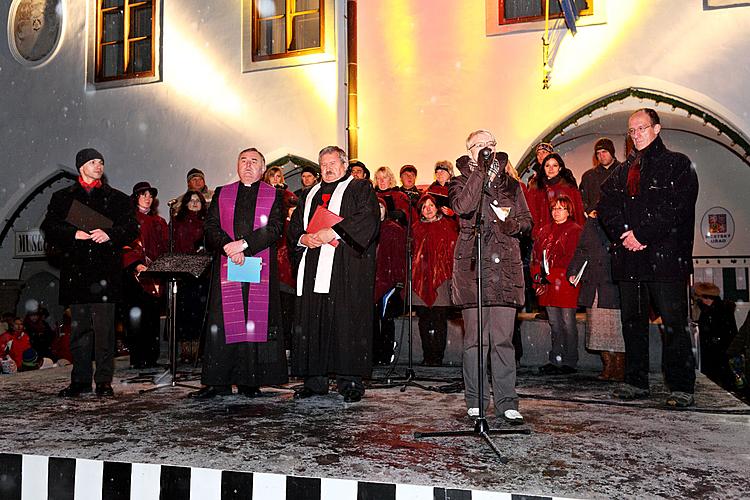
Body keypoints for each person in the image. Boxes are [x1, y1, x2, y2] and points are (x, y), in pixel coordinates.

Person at [598, 108, 699, 407]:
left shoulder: (677, 164)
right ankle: (635, 380)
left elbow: (676, 207)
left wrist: (642, 234)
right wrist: (624, 234)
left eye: (642, 128)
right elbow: (606, 207)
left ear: (657, 129)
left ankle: (681, 386)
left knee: (673, 323)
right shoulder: (620, 172)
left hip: (666, 260)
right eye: (632, 130)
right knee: (632, 322)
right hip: (631, 260)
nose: (636, 134)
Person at [189, 148, 288, 399]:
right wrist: (227, 246)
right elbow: (210, 226)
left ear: (263, 168)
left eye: (254, 161)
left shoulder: (274, 195)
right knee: (222, 323)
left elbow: (275, 228)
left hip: (258, 266)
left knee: (253, 324)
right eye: (243, 160)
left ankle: (249, 380)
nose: (247, 165)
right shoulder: (223, 193)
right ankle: (217, 381)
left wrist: (243, 245)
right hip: (227, 266)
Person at [41, 147, 139, 397]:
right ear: (81, 166)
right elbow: (49, 227)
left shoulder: (117, 198)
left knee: (105, 331)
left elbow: (131, 228)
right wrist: (74, 234)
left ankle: (104, 381)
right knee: (80, 331)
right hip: (77, 272)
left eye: (101, 162)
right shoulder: (63, 198)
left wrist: (110, 234)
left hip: (105, 272)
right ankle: (80, 380)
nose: (99, 166)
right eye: (93, 161)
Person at [451, 129, 531, 425]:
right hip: (473, 267)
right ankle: (476, 400)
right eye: (480, 145)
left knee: (502, 340)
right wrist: (480, 174)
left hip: (504, 268)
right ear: (470, 150)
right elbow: (463, 207)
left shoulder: (511, 183)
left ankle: (507, 401)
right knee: (475, 341)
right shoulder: (459, 180)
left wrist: (510, 223)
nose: (486, 149)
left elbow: (526, 221)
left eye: (490, 144)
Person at [288, 145, 380, 403]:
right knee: (311, 321)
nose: (327, 169)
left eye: (332, 164)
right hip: (313, 266)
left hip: (346, 268)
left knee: (346, 322)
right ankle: (314, 381)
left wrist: (335, 232)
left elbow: (368, 219)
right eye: (323, 165)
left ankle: (350, 381)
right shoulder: (309, 194)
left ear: (344, 166)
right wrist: (303, 238)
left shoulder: (360, 188)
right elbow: (294, 227)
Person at [567, 214, 625, 381]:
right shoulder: (591, 223)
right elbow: (581, 249)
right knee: (597, 328)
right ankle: (607, 364)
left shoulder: (619, 217)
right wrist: (573, 270)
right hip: (593, 282)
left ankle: (619, 365)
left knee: (616, 327)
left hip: (612, 283)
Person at [531, 195, 583, 375]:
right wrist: (538, 276)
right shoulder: (545, 230)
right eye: (554, 208)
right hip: (548, 284)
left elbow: (571, 259)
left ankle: (569, 361)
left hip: (565, 283)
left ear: (569, 211)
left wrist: (550, 275)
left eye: (561, 208)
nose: (556, 211)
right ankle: (556, 359)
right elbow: (536, 256)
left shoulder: (575, 230)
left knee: (567, 323)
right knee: (554, 323)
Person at [121, 181, 169, 369]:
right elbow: (125, 245)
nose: (148, 198)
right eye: (144, 195)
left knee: (152, 318)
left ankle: (152, 356)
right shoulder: (129, 220)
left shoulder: (159, 222)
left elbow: (165, 247)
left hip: (155, 275)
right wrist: (137, 264)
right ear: (136, 198)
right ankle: (138, 357)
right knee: (136, 318)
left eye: (150, 195)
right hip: (136, 275)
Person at [412, 194, 458, 366]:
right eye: (424, 206)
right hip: (421, 280)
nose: (428, 209)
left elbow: (452, 254)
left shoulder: (447, 226)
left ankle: (438, 356)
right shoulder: (416, 228)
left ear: (437, 207)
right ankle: (427, 355)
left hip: (441, 279)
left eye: (431, 205)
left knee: (439, 320)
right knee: (424, 320)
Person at [171, 189, 209, 361]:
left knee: (200, 312)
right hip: (183, 273)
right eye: (191, 200)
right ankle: (185, 351)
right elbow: (172, 246)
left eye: (198, 200)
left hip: (203, 274)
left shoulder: (208, 223)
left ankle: (199, 351)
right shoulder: (176, 222)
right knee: (184, 313)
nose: (194, 203)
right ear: (185, 203)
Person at [373, 197, 406, 365]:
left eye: (380, 206)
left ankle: (385, 354)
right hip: (370, 281)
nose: (377, 210)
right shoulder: (366, 229)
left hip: (388, 281)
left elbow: (400, 257)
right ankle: (372, 354)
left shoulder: (394, 229)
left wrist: (399, 280)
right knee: (370, 319)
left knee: (385, 318)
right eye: (375, 206)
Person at [526, 153, 585, 240]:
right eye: (547, 166)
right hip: (542, 236)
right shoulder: (536, 188)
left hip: (566, 235)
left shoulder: (569, 188)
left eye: (554, 165)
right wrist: (537, 232)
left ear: (560, 168)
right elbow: (531, 213)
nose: (551, 169)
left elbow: (578, 214)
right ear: (543, 168)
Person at [694, 282, 738, 388]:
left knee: (721, 378)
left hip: (719, 350)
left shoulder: (721, 309)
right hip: (714, 349)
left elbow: (729, 330)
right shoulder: (706, 309)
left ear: (706, 297)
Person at [580, 138, 621, 218]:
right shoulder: (588, 176)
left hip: (619, 221)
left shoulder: (624, 171)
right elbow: (582, 199)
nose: (601, 156)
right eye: (598, 153)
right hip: (596, 222)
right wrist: (589, 211)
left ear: (612, 152)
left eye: (604, 152)